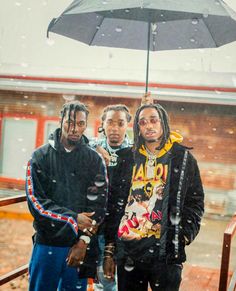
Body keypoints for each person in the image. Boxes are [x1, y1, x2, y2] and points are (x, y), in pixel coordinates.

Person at [103, 103, 204, 291]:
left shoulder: (182, 158)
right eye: (142, 122)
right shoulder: (126, 158)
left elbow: (195, 201)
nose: (148, 126)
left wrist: (184, 235)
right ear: (138, 129)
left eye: (153, 120)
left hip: (166, 253)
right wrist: (110, 250)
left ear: (163, 123)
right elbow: (113, 205)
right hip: (129, 252)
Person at [26, 100, 108, 291]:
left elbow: (100, 206)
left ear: (85, 125)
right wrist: (73, 218)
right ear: (60, 120)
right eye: (70, 122)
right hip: (48, 244)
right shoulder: (40, 157)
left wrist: (83, 241)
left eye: (80, 123)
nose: (75, 128)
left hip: (79, 247)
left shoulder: (94, 160)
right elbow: (36, 203)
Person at [91, 104, 132, 291]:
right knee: (104, 282)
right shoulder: (92, 148)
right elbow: (61, 139)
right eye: (110, 122)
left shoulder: (135, 152)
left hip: (128, 228)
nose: (115, 128)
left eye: (120, 123)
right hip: (101, 226)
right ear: (103, 124)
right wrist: (96, 149)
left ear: (128, 126)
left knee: (126, 281)